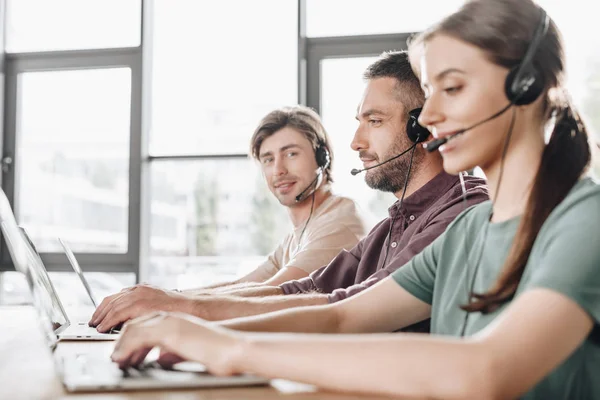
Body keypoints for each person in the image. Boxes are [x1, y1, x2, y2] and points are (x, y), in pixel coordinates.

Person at [111, 1, 600, 398]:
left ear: (527, 87)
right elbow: (341, 314)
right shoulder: (470, 233)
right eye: (428, 93)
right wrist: (203, 334)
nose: (428, 115)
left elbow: (488, 371)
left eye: (451, 88)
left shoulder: (584, 221)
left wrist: (231, 351)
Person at [91, 51, 487, 332]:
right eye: (266, 159)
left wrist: (185, 311)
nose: (356, 141)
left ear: (424, 126)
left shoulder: (462, 212)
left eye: (375, 120)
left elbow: (345, 309)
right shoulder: (390, 227)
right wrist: (169, 302)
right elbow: (301, 289)